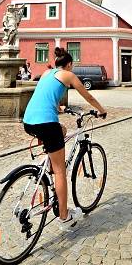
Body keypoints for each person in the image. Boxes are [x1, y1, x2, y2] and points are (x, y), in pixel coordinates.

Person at [22, 47, 107, 229]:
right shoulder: (68, 75)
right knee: (61, 171)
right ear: (69, 65)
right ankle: (64, 217)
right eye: (72, 66)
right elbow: (89, 96)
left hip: (29, 121)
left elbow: (45, 97)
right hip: (46, 123)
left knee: (61, 129)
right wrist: (102, 110)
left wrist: (60, 108)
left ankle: (48, 164)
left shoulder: (46, 73)